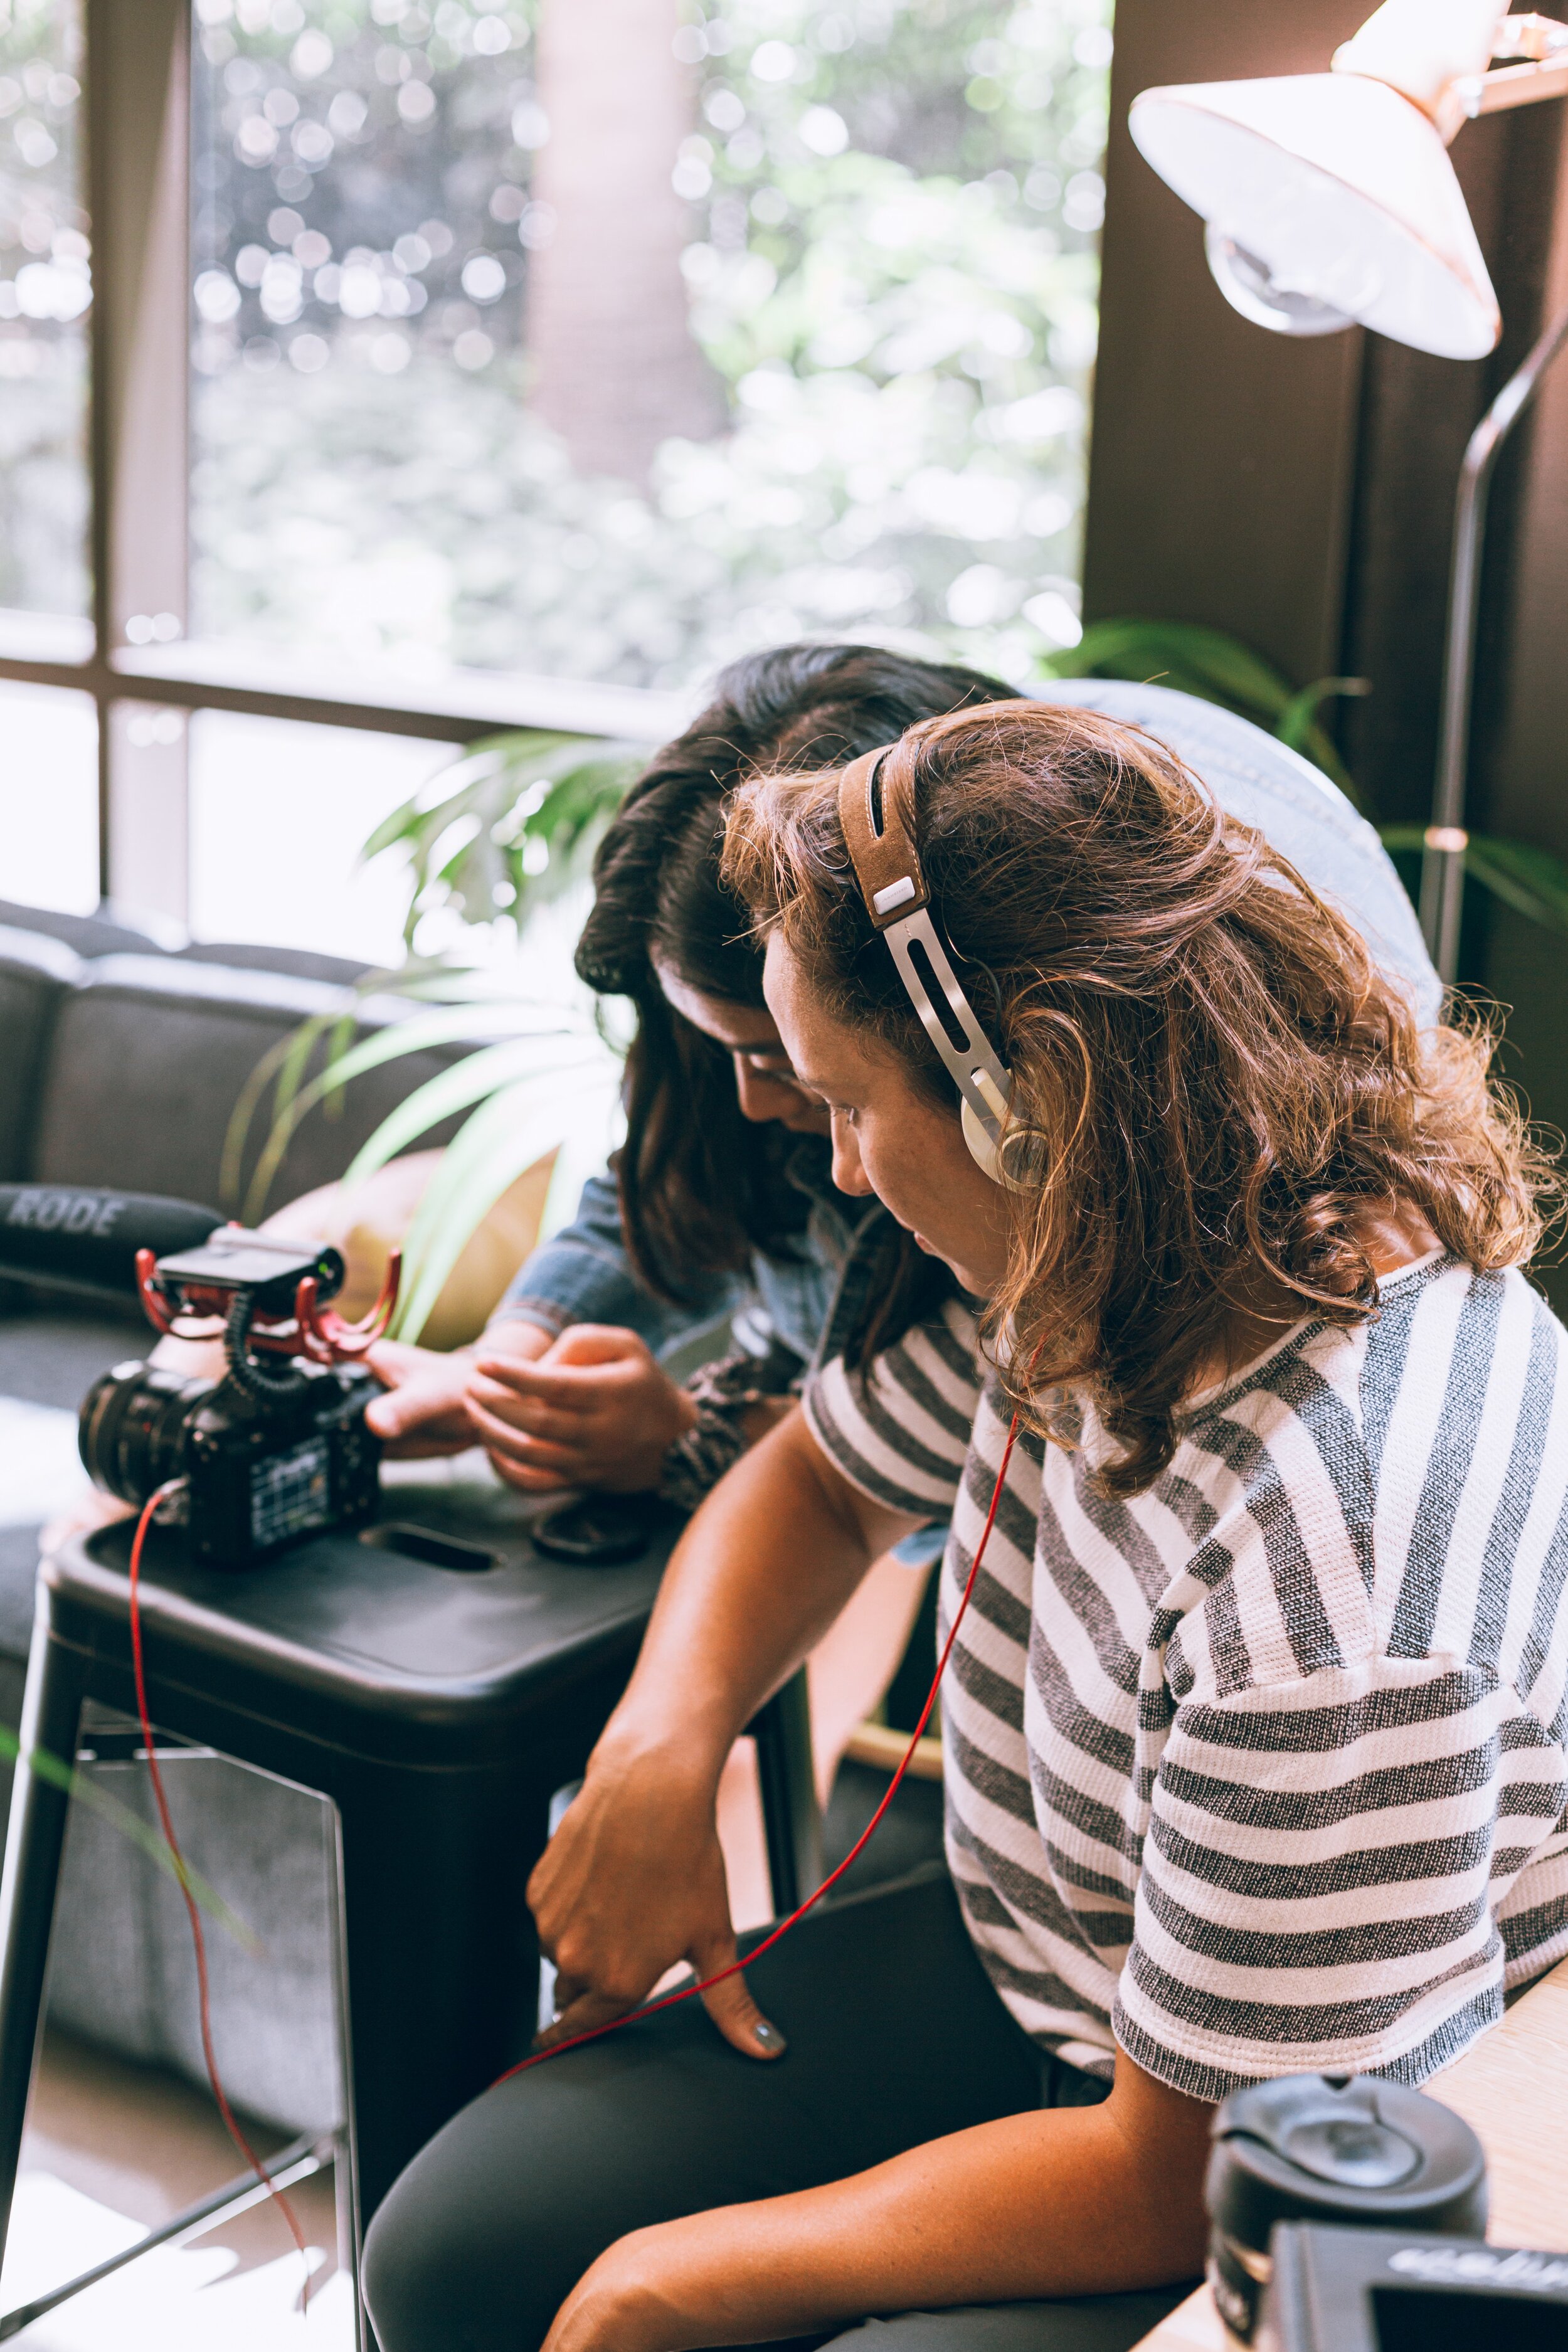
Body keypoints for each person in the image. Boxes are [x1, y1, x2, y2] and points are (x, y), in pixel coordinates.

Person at [361, 699, 1564, 2352]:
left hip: (1246, 2149)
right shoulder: (1128, 1222)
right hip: (1056, 1956)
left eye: (847, 1104)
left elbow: (1181, 2168)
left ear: (1024, 1103)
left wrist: (682, 2273)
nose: (841, 1173)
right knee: (454, 2257)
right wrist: (663, 1743)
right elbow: (819, 1472)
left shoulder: (1332, 1583)